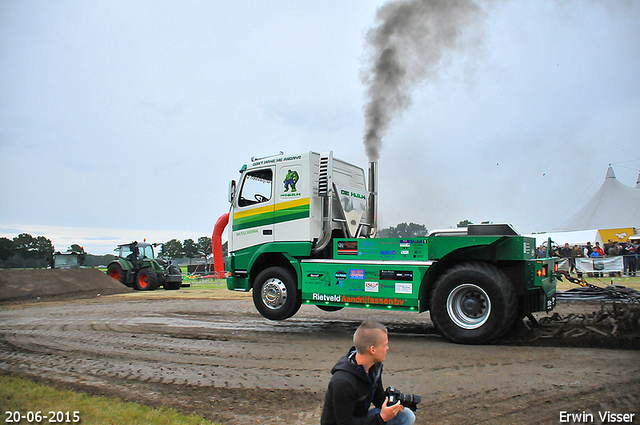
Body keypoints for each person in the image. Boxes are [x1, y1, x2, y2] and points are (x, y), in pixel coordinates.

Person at [321, 320, 416, 425]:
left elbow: (379, 400)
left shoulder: (374, 366)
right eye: (385, 345)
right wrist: (381, 418)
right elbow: (345, 423)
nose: (387, 348)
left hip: (361, 417)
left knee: (405, 415)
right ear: (372, 350)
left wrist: (396, 403)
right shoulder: (343, 382)